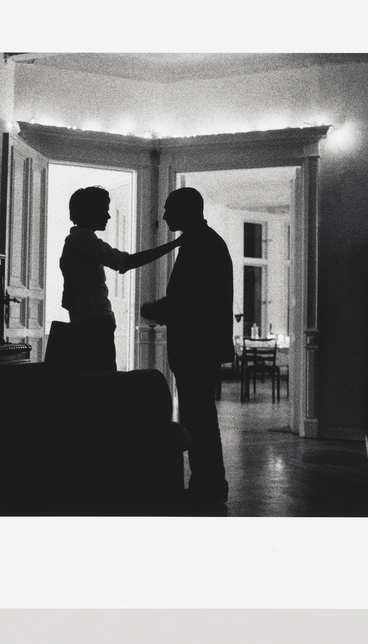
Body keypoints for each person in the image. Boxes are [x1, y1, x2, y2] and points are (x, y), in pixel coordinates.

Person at [140, 187, 234, 507]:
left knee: (199, 419)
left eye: (169, 209)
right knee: (199, 417)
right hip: (200, 349)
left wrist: (157, 310)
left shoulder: (200, 245)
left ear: (187, 210)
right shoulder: (203, 242)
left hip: (197, 349)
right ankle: (208, 484)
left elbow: (194, 303)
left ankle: (208, 486)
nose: (164, 215)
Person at [59, 185, 181, 371]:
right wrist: (174, 244)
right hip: (94, 325)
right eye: (104, 210)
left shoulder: (76, 240)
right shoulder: (83, 240)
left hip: (86, 323)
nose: (108, 216)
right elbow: (124, 261)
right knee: (104, 381)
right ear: (90, 211)